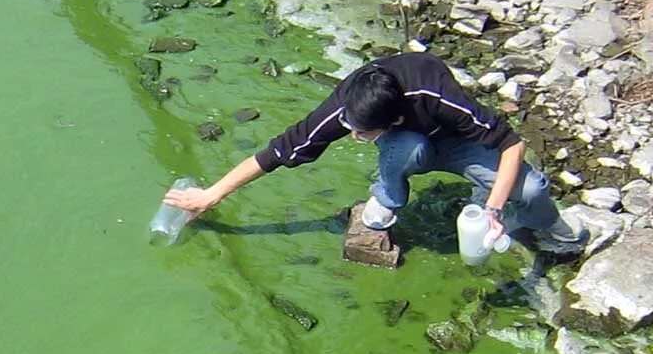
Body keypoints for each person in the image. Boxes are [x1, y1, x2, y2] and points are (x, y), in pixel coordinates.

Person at [162, 51, 587, 255]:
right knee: (407, 148)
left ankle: (552, 232)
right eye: (351, 128)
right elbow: (281, 150)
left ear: (394, 116)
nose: (352, 136)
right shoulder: (349, 104)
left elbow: (511, 144)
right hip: (410, 144)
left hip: (460, 142)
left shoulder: (437, 94)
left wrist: (493, 211)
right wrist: (212, 194)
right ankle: (386, 199)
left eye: (363, 134)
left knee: (530, 190)